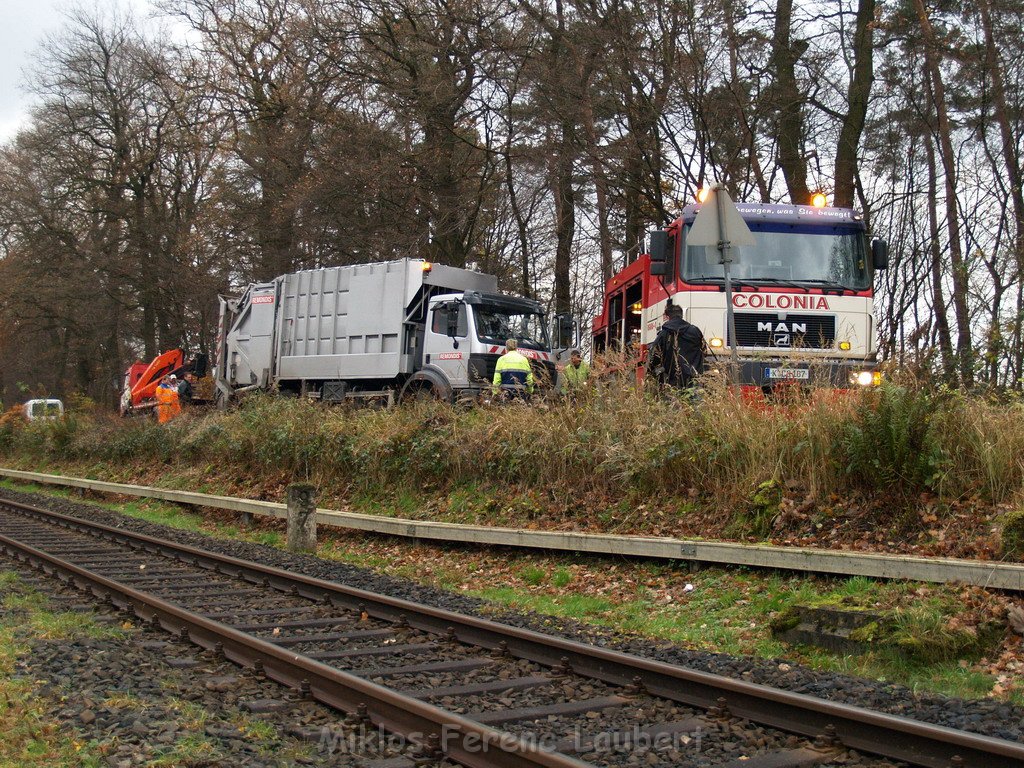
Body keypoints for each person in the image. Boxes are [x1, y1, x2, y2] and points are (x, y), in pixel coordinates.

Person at [644, 304, 706, 392]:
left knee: (672, 403)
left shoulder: (664, 333)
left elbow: (654, 355)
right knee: (694, 403)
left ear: (667, 316)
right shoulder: (695, 330)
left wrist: (650, 373)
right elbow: (704, 351)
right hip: (693, 379)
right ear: (682, 315)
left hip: (671, 380)